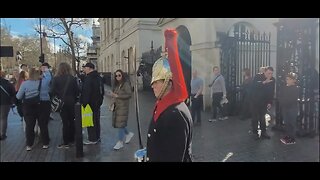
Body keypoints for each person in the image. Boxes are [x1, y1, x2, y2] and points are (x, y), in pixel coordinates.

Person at [145, 29, 193, 162]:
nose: (152, 85)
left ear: (168, 82)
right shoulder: (164, 105)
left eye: (157, 82)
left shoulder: (175, 114)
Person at [16, 67, 52, 151]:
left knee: (30, 126)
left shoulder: (25, 83)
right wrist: (45, 69)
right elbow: (49, 77)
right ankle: (45, 143)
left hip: (29, 106)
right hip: (43, 105)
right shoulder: (44, 82)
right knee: (43, 125)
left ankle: (29, 145)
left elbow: (18, 96)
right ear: (39, 74)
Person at [51, 62, 79, 148]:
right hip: (71, 102)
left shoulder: (55, 79)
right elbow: (77, 91)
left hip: (61, 102)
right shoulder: (72, 78)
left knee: (65, 122)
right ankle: (72, 139)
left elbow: (52, 91)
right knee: (72, 121)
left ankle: (66, 141)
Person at [109, 69, 134, 150]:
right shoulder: (116, 85)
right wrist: (112, 103)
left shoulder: (125, 84)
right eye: (116, 76)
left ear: (122, 75)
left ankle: (120, 142)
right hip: (117, 106)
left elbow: (129, 94)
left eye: (119, 75)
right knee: (120, 123)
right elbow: (115, 95)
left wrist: (118, 96)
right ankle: (128, 134)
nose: (117, 77)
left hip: (123, 107)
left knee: (120, 124)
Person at [80, 62, 104, 144]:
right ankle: (97, 137)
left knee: (90, 121)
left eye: (85, 68)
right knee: (96, 120)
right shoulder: (99, 78)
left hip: (90, 103)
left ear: (89, 68)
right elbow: (102, 90)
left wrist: (84, 103)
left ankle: (92, 139)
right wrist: (100, 100)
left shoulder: (89, 78)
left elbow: (86, 92)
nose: (84, 69)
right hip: (97, 103)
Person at [250, 66, 275, 140]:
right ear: (264, 72)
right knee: (255, 117)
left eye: (271, 73)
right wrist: (264, 82)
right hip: (255, 101)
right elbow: (253, 86)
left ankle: (264, 132)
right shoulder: (258, 76)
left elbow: (271, 92)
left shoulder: (273, 80)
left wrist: (270, 102)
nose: (269, 75)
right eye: (268, 73)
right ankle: (255, 132)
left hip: (264, 102)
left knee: (262, 117)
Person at [279, 72, 299, 144]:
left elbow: (292, 99)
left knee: (292, 123)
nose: (287, 80)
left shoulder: (295, 88)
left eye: (289, 79)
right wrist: (282, 102)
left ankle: (292, 138)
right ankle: (288, 135)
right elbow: (281, 95)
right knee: (286, 123)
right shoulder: (285, 87)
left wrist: (283, 101)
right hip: (285, 107)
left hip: (292, 108)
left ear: (294, 80)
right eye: (287, 79)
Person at [0, 71, 16, 140]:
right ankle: (2, 134)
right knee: (3, 118)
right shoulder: (7, 83)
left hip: (4, 102)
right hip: (5, 103)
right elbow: (13, 92)